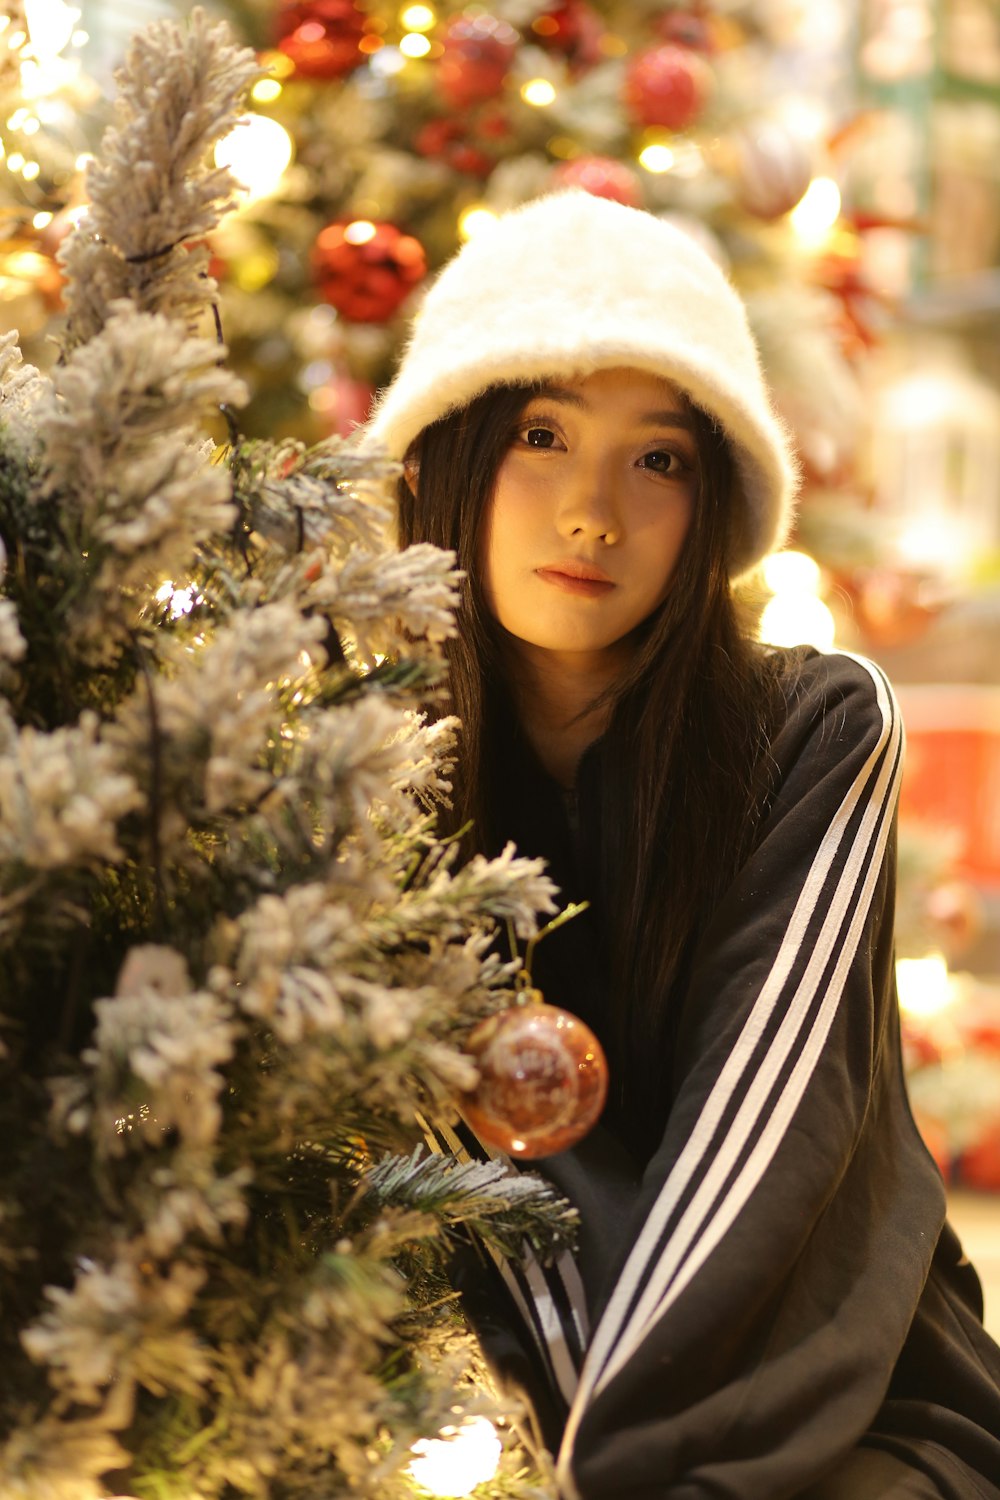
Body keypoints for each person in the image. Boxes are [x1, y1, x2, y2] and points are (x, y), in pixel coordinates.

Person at [361, 192, 1000, 1499]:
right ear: (440, 460)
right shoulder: (353, 755)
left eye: (659, 459)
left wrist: (611, 1474)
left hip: (825, 1403)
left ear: (714, 503)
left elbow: (764, 1152)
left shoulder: (811, 726)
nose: (593, 511)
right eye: (541, 435)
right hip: (494, 1414)